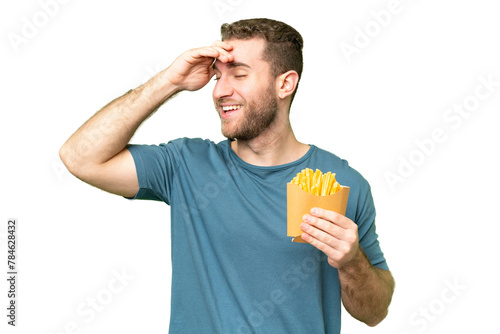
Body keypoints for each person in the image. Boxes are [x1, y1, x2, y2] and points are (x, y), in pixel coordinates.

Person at [60, 18, 394, 333]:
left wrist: (351, 262)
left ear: (285, 84)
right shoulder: (185, 165)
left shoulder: (342, 183)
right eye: (218, 76)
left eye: (239, 74)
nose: (219, 90)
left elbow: (374, 311)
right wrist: (169, 81)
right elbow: (80, 157)